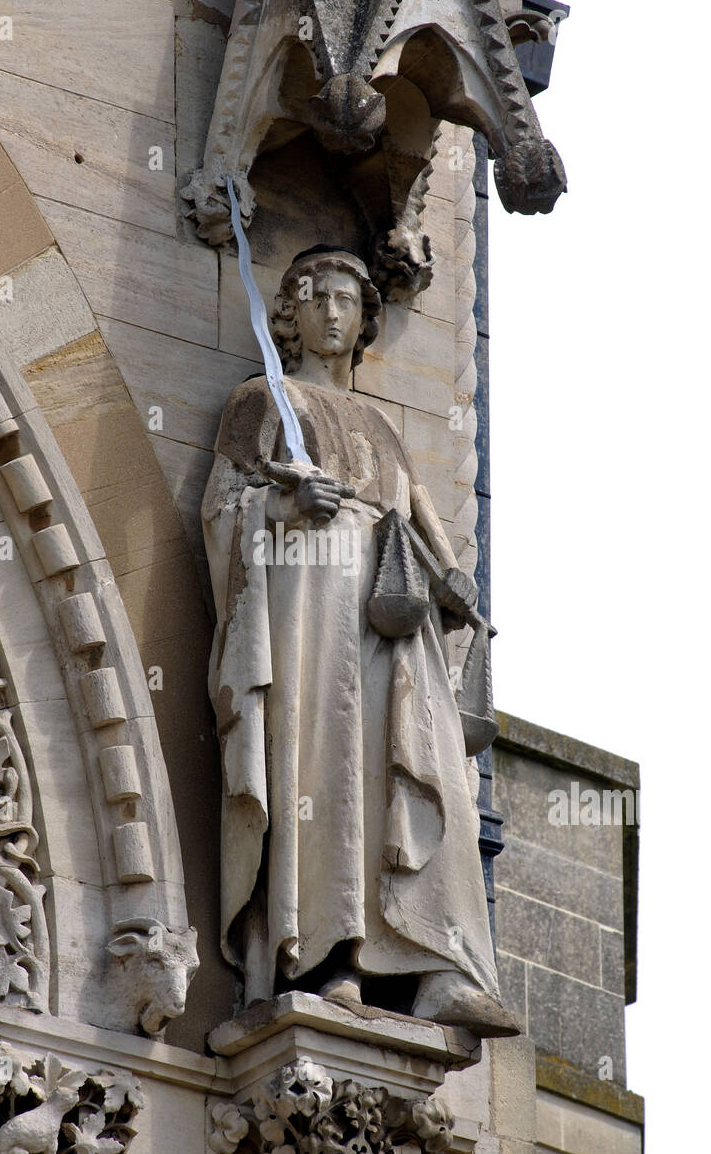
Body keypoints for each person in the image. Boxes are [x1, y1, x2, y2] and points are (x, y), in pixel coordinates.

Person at [201, 245, 517, 1036]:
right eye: (320, 299)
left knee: (426, 764)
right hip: (306, 596)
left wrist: (455, 581)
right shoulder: (259, 399)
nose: (335, 313)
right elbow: (221, 507)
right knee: (325, 767)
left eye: (348, 300)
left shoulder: (377, 422)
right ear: (293, 312)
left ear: (364, 319)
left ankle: (439, 966)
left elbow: (416, 512)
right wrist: (282, 507)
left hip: (389, 605)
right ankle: (324, 958)